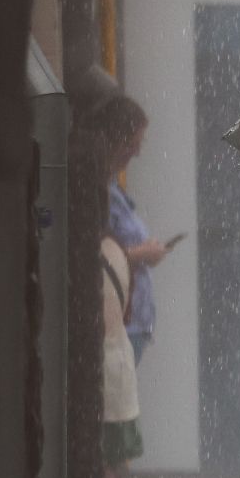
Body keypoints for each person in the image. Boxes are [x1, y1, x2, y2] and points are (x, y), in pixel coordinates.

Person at [88, 94, 170, 365]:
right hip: (119, 326)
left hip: (132, 325)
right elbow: (95, 256)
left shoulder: (112, 187)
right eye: (133, 143)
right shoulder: (96, 190)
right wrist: (141, 254)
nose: (137, 152)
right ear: (117, 138)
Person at [98, 233, 143, 478]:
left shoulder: (91, 255)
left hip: (104, 373)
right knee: (113, 470)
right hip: (120, 370)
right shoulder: (117, 252)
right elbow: (127, 312)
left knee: (105, 474)